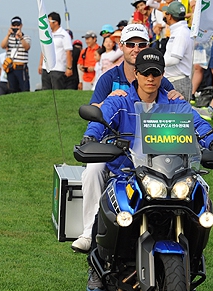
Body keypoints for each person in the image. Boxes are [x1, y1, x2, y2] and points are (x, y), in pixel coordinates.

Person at [81, 48, 213, 291]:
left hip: (169, 172)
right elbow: (99, 121)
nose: (150, 78)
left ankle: (193, 258)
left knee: (200, 200)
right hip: (126, 171)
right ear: (135, 73)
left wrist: (212, 141)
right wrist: (90, 138)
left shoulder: (174, 103)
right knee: (111, 205)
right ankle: (97, 265)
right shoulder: (120, 101)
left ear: (161, 75)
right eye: (146, 73)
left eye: (156, 73)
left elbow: (196, 122)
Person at [71, 24, 181, 253]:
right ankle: (89, 232)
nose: (135, 48)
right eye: (130, 44)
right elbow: (94, 109)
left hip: (152, 147)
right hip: (113, 145)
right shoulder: (109, 77)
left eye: (141, 44)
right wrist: (109, 101)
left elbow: (171, 104)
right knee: (93, 169)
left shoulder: (157, 77)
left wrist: (176, 96)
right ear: (122, 46)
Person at [162, 1, 194, 99]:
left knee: (177, 114)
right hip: (176, 80)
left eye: (166, 13)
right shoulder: (181, 31)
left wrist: (156, 63)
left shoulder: (180, 33)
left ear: (170, 16)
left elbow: (175, 59)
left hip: (177, 82)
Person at [38, 12, 73, 90]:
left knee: (57, 91)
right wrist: (40, 64)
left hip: (58, 68)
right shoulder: (47, 34)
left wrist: (69, 68)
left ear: (56, 22)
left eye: (49, 22)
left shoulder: (64, 35)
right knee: (45, 90)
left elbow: (68, 52)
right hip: (46, 68)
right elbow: (44, 49)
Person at [0, 16, 31, 93]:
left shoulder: (26, 37)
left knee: (24, 89)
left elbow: (27, 47)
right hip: (11, 67)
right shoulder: (9, 38)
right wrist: (8, 35)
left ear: (21, 26)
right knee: (12, 89)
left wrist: (21, 38)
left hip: (21, 67)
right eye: (14, 25)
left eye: (17, 25)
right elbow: (2, 45)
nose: (16, 27)